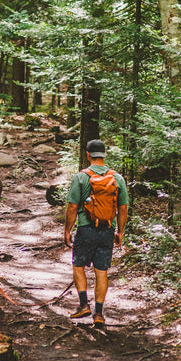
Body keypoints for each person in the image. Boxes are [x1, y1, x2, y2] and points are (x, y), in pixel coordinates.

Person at [64, 139, 129, 327]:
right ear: (104, 155)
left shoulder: (81, 177)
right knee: (102, 271)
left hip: (85, 229)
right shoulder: (117, 178)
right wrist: (120, 231)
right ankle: (99, 314)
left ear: (88, 155)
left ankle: (84, 304)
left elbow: (72, 206)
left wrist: (68, 230)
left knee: (78, 266)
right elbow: (123, 208)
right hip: (107, 230)